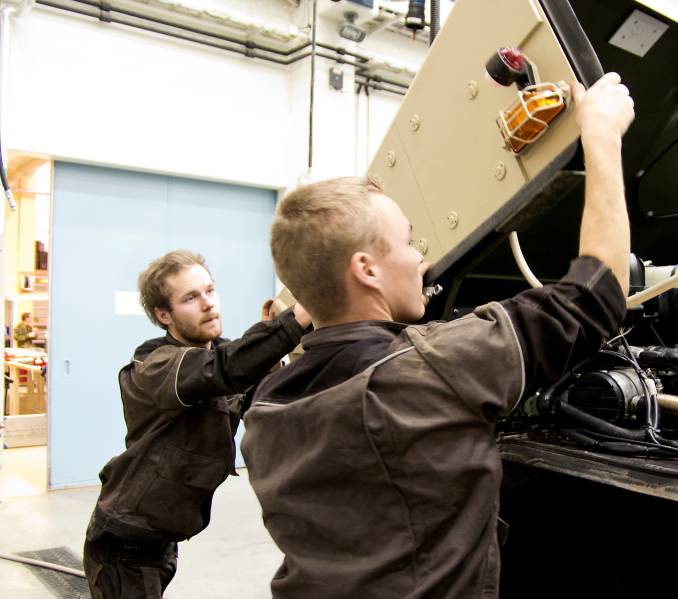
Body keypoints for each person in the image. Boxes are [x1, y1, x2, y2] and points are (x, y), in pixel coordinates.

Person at [241, 72, 634, 598]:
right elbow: (596, 295)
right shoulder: (433, 366)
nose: (421, 257)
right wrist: (602, 136)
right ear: (367, 269)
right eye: (407, 241)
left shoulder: (266, 407)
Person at [82, 250, 311, 598]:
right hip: (125, 544)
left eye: (209, 290)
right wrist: (292, 322)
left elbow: (263, 403)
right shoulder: (154, 364)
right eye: (190, 297)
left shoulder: (222, 354)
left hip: (160, 542)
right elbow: (221, 370)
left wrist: (270, 355)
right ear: (164, 315)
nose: (208, 304)